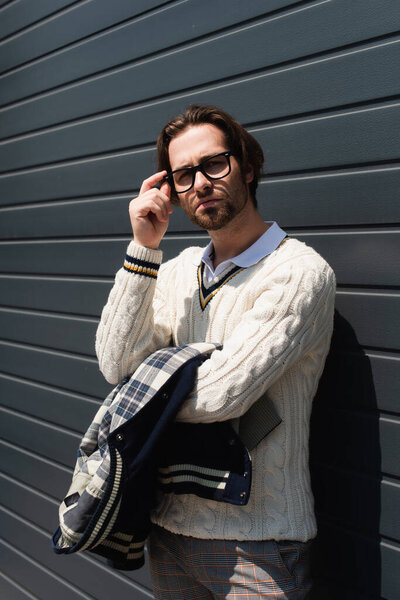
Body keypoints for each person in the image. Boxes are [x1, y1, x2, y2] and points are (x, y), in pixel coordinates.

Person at [95, 105, 336, 599]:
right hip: (168, 529)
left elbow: (223, 395)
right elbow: (116, 364)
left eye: (214, 164)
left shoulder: (298, 273)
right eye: (184, 174)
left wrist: (146, 385)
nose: (200, 183)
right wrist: (143, 249)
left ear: (247, 167)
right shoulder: (178, 270)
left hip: (257, 543)